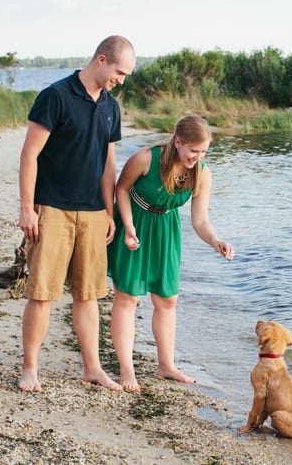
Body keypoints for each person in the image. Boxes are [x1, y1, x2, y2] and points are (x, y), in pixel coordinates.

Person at [18, 35, 136, 392]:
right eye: (119, 72)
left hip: (93, 213)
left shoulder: (112, 107)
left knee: (88, 294)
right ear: (101, 59)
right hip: (52, 208)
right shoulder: (55, 95)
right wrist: (27, 209)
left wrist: (110, 211)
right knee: (43, 293)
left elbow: (108, 163)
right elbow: (29, 155)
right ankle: (30, 369)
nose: (122, 79)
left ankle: (93, 368)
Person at [108, 115, 234, 393]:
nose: (197, 157)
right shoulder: (146, 158)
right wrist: (127, 227)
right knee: (127, 296)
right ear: (178, 142)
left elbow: (200, 221)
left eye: (203, 152)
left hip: (166, 230)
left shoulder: (201, 172)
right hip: (136, 222)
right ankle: (126, 368)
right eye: (193, 151)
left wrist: (216, 242)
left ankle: (166, 364)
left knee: (167, 299)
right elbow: (122, 189)